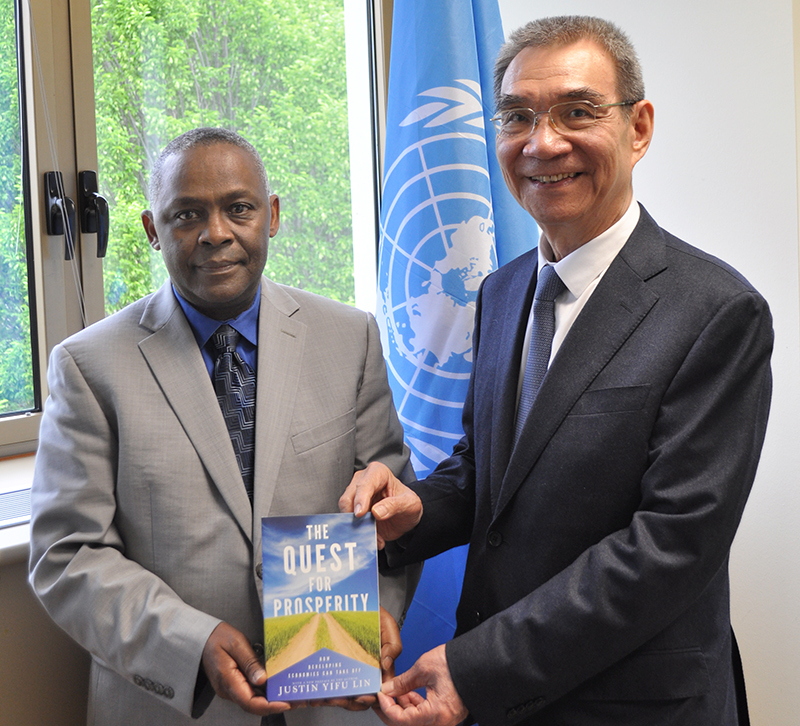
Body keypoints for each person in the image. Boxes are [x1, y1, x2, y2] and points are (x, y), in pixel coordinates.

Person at [342, 15, 773, 726]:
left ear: (638, 127)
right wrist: (418, 510)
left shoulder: (718, 312)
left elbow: (670, 547)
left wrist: (480, 666)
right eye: (516, 116)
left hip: (634, 708)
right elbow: (489, 472)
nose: (542, 142)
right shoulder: (501, 292)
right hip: (505, 701)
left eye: (576, 111)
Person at [29, 127, 416, 726]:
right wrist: (192, 645)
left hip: (335, 700)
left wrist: (378, 615)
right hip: (176, 706)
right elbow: (67, 556)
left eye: (239, 208)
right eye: (186, 214)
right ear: (153, 230)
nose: (216, 234)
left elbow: (392, 510)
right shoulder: (88, 366)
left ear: (273, 216)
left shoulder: (351, 337)